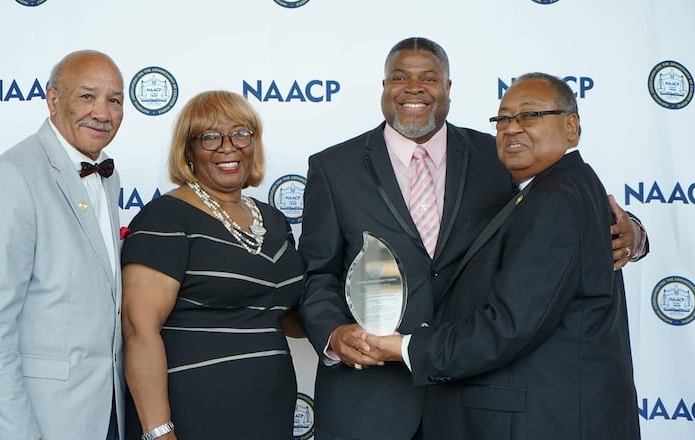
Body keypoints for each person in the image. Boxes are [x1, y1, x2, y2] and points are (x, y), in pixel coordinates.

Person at [297, 37, 648, 440]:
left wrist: (633, 234)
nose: (414, 88)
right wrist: (334, 336)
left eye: (429, 78)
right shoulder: (333, 167)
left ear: (448, 88)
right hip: (370, 400)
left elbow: (564, 208)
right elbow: (317, 275)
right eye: (400, 77)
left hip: (473, 397)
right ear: (383, 87)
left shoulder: (503, 153)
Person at [120, 90, 305, 440]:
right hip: (192, 415)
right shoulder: (166, 217)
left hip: (270, 411)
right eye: (209, 137)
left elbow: (286, 316)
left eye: (240, 133)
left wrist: (352, 319)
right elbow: (137, 328)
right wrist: (159, 432)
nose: (228, 147)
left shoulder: (273, 221)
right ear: (188, 150)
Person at [0, 50, 125, 440]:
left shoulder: (106, 175)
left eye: (114, 100)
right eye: (87, 96)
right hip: (39, 419)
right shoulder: (13, 177)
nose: (102, 112)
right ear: (53, 100)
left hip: (105, 412)